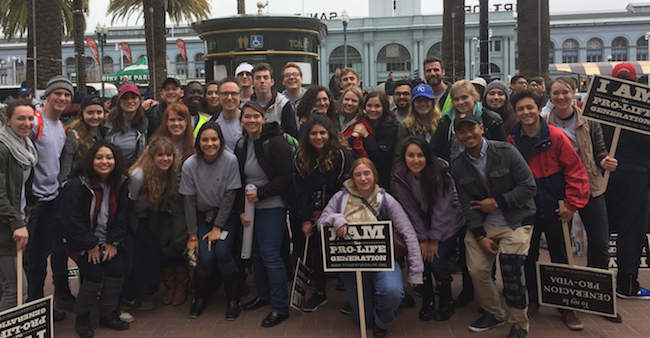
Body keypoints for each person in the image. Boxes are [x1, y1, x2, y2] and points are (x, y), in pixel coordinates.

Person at [506, 90, 590, 331]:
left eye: (530, 107)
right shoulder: (512, 140)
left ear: (538, 108)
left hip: (555, 207)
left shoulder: (557, 137)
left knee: (561, 256)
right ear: (516, 112)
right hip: (526, 209)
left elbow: (575, 171)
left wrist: (572, 203)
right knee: (527, 257)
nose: (526, 112)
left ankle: (566, 305)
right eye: (521, 108)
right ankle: (533, 299)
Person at [449, 112, 537, 338]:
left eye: (471, 128)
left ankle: (519, 323)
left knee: (511, 269)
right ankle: (494, 313)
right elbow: (466, 203)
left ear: (481, 128)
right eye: (461, 131)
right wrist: (480, 236)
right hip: (484, 225)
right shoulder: (457, 164)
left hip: (515, 219)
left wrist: (497, 202)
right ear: (457, 136)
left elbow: (528, 187)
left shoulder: (506, 152)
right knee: (477, 269)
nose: (468, 134)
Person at [318, 158, 424, 338]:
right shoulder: (340, 197)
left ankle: (389, 309)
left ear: (374, 175)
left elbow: (408, 232)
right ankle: (389, 300)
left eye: (367, 173)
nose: (363, 178)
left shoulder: (386, 199)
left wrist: (416, 270)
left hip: (383, 261)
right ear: (352, 177)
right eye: (358, 175)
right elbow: (321, 223)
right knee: (365, 321)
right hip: (351, 265)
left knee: (390, 293)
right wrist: (335, 218)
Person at [545, 77, 620, 323]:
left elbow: (599, 148)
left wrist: (604, 161)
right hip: (559, 191)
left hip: (590, 187)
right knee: (560, 245)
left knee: (599, 241)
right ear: (550, 95)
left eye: (565, 92)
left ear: (574, 93)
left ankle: (599, 296)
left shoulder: (588, 119)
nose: (560, 97)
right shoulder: (545, 122)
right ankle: (567, 302)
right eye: (555, 93)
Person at [60, 141, 130, 337]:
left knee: (116, 269)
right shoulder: (77, 185)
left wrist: (112, 242)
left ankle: (108, 314)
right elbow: (72, 220)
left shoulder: (121, 182)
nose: (104, 162)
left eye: (109, 157)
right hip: (83, 242)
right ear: (91, 160)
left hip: (108, 241)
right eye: (99, 157)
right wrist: (90, 245)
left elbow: (123, 216)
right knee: (93, 274)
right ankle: (82, 317)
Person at [392, 136, 464, 321]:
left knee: (437, 262)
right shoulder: (401, 177)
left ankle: (446, 300)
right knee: (421, 259)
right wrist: (423, 238)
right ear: (404, 157)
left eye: (420, 155)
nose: (415, 160)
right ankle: (428, 299)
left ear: (427, 157)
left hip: (448, 223)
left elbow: (443, 208)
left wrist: (434, 238)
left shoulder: (440, 173)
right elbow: (410, 210)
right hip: (422, 225)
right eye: (411, 155)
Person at [235, 102, 292, 327]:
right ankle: (263, 295)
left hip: (272, 205)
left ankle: (280, 307)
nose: (251, 120)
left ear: (263, 118)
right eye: (247, 116)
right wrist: (241, 208)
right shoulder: (241, 144)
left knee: (270, 255)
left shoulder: (276, 142)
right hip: (250, 206)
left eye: (256, 116)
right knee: (256, 254)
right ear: (241, 120)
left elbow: (286, 176)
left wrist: (262, 193)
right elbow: (238, 178)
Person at [293, 114, 355, 312]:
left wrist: (327, 212)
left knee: (346, 253)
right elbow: (299, 190)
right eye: (313, 133)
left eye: (322, 133)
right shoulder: (300, 156)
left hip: (343, 208)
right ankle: (319, 293)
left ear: (330, 134)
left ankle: (354, 296)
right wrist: (305, 218)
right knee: (316, 253)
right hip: (311, 211)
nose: (318, 137)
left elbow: (344, 188)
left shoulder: (343, 155)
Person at [180, 122, 242, 320]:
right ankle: (200, 296)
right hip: (202, 216)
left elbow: (230, 198)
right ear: (198, 142)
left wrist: (218, 227)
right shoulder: (190, 164)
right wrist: (192, 234)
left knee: (223, 253)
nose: (210, 144)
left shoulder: (230, 160)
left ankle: (233, 298)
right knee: (205, 258)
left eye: (214, 139)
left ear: (220, 141)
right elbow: (188, 201)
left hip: (226, 216)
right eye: (205, 140)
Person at [24, 76, 73, 322]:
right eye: (58, 94)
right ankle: (31, 308)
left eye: (67, 95)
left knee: (43, 255)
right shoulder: (35, 121)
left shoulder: (61, 127)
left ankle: (39, 305)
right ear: (48, 95)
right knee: (32, 259)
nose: (62, 98)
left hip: (52, 198)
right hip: (34, 202)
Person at [602, 63, 650, 300]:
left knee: (603, 230)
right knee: (631, 231)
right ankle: (626, 285)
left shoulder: (600, 105)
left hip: (608, 174)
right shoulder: (645, 107)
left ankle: (600, 279)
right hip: (634, 176)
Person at [149, 105, 195, 306]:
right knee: (163, 245)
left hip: (183, 203)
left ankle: (182, 287)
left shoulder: (192, 146)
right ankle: (170, 286)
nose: (176, 124)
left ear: (187, 122)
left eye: (180, 120)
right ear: (165, 122)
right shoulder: (155, 143)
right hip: (159, 202)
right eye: (172, 120)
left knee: (179, 244)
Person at [128, 137, 181, 306]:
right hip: (130, 218)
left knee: (151, 253)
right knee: (132, 258)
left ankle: (144, 293)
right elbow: (127, 206)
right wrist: (138, 232)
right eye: (160, 155)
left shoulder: (167, 173)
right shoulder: (138, 176)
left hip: (149, 216)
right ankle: (128, 297)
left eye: (169, 155)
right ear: (151, 157)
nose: (165, 159)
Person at [0, 100, 37, 311]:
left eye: (30, 118)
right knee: (15, 290)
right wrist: (16, 222)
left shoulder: (24, 146)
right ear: (7, 121)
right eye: (20, 118)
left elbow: (23, 188)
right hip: (6, 228)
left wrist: (27, 211)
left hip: (17, 220)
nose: (26, 123)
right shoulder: (3, 149)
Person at [431, 79, 505, 162]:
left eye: (464, 97)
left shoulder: (491, 119)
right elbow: (435, 149)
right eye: (456, 99)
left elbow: (501, 150)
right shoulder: (445, 121)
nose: (461, 102)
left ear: (474, 96)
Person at [392, 84, 441, 173]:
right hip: (413, 175)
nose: (422, 103)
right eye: (419, 100)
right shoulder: (405, 126)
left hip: (438, 173)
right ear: (413, 103)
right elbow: (399, 156)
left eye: (426, 100)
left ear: (433, 102)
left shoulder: (442, 123)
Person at [59, 95, 107, 183]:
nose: (95, 117)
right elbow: (65, 169)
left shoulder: (104, 132)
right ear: (82, 114)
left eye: (99, 112)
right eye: (90, 113)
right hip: (78, 186)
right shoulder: (74, 136)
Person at [355, 91, 397, 191]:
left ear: (384, 107)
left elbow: (380, 156)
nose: (373, 110)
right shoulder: (362, 122)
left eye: (377, 106)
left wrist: (366, 136)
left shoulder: (391, 126)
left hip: (383, 177)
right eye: (369, 105)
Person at [251, 63, 298, 137]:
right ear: (252, 83)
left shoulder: (284, 104)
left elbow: (292, 134)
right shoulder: (246, 105)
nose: (262, 81)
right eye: (258, 78)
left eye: (266, 77)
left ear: (272, 82)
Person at [105, 84, 148, 166]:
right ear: (119, 102)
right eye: (125, 98)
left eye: (133, 97)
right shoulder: (108, 123)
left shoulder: (145, 123)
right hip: (111, 167)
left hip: (135, 168)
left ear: (139, 100)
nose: (129, 101)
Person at [208, 78, 242, 152]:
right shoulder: (212, 121)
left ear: (240, 96)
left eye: (233, 93)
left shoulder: (247, 121)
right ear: (219, 96)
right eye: (225, 94)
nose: (229, 98)